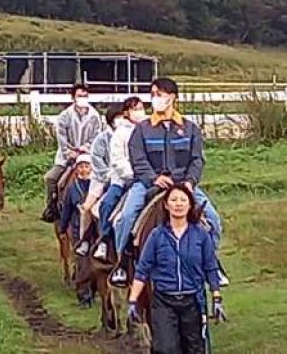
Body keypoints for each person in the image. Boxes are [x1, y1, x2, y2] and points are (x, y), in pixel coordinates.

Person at [111, 78, 228, 287]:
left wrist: (190, 182)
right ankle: (122, 264)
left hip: (184, 185)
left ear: (172, 97)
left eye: (160, 94)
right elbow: (137, 159)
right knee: (125, 217)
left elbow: (197, 159)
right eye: (153, 94)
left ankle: (213, 265)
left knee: (213, 219)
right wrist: (153, 178)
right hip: (148, 184)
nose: (155, 98)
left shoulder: (190, 128)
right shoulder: (142, 129)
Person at [127, 184, 227, 354]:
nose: (178, 204)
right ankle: (119, 260)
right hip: (164, 301)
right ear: (166, 205)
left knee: (195, 349)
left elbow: (209, 266)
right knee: (166, 349)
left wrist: (216, 298)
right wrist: (132, 301)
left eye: (183, 200)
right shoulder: (156, 236)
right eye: (173, 200)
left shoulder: (201, 235)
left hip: (193, 301)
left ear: (189, 204)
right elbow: (143, 269)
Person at [93, 96, 146, 260]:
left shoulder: (149, 129)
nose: (139, 112)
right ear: (126, 113)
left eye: (141, 108)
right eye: (134, 109)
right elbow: (118, 160)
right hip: (123, 180)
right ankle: (104, 239)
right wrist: (132, 175)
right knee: (108, 203)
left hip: (148, 179)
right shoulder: (120, 133)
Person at [43, 84, 100, 220]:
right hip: (67, 156)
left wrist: (85, 149)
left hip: (88, 156)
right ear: (73, 97)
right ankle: (51, 208)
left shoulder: (95, 116)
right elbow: (61, 137)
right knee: (51, 178)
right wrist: (69, 152)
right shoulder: (64, 116)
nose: (83, 99)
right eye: (80, 96)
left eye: (85, 96)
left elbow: (96, 137)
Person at [75, 104, 124, 256]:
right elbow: (97, 162)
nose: (122, 120)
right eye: (118, 117)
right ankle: (86, 240)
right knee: (88, 207)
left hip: (126, 177)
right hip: (102, 178)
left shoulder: (132, 135)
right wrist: (109, 176)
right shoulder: (102, 139)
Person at [59, 154, 92, 246]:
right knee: (57, 182)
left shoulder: (95, 186)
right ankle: (51, 208)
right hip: (77, 226)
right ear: (77, 169)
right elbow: (67, 209)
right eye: (81, 167)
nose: (84, 170)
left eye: (86, 167)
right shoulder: (72, 188)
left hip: (92, 227)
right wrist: (62, 228)